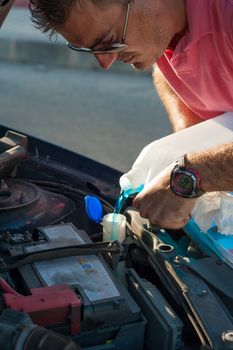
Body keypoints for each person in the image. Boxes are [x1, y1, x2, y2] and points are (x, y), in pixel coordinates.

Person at [29, 0, 233, 229]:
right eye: (92, 50)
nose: (106, 62)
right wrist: (189, 143)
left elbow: (192, 173)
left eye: (108, 41)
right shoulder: (160, 27)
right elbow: (163, 61)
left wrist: (190, 176)